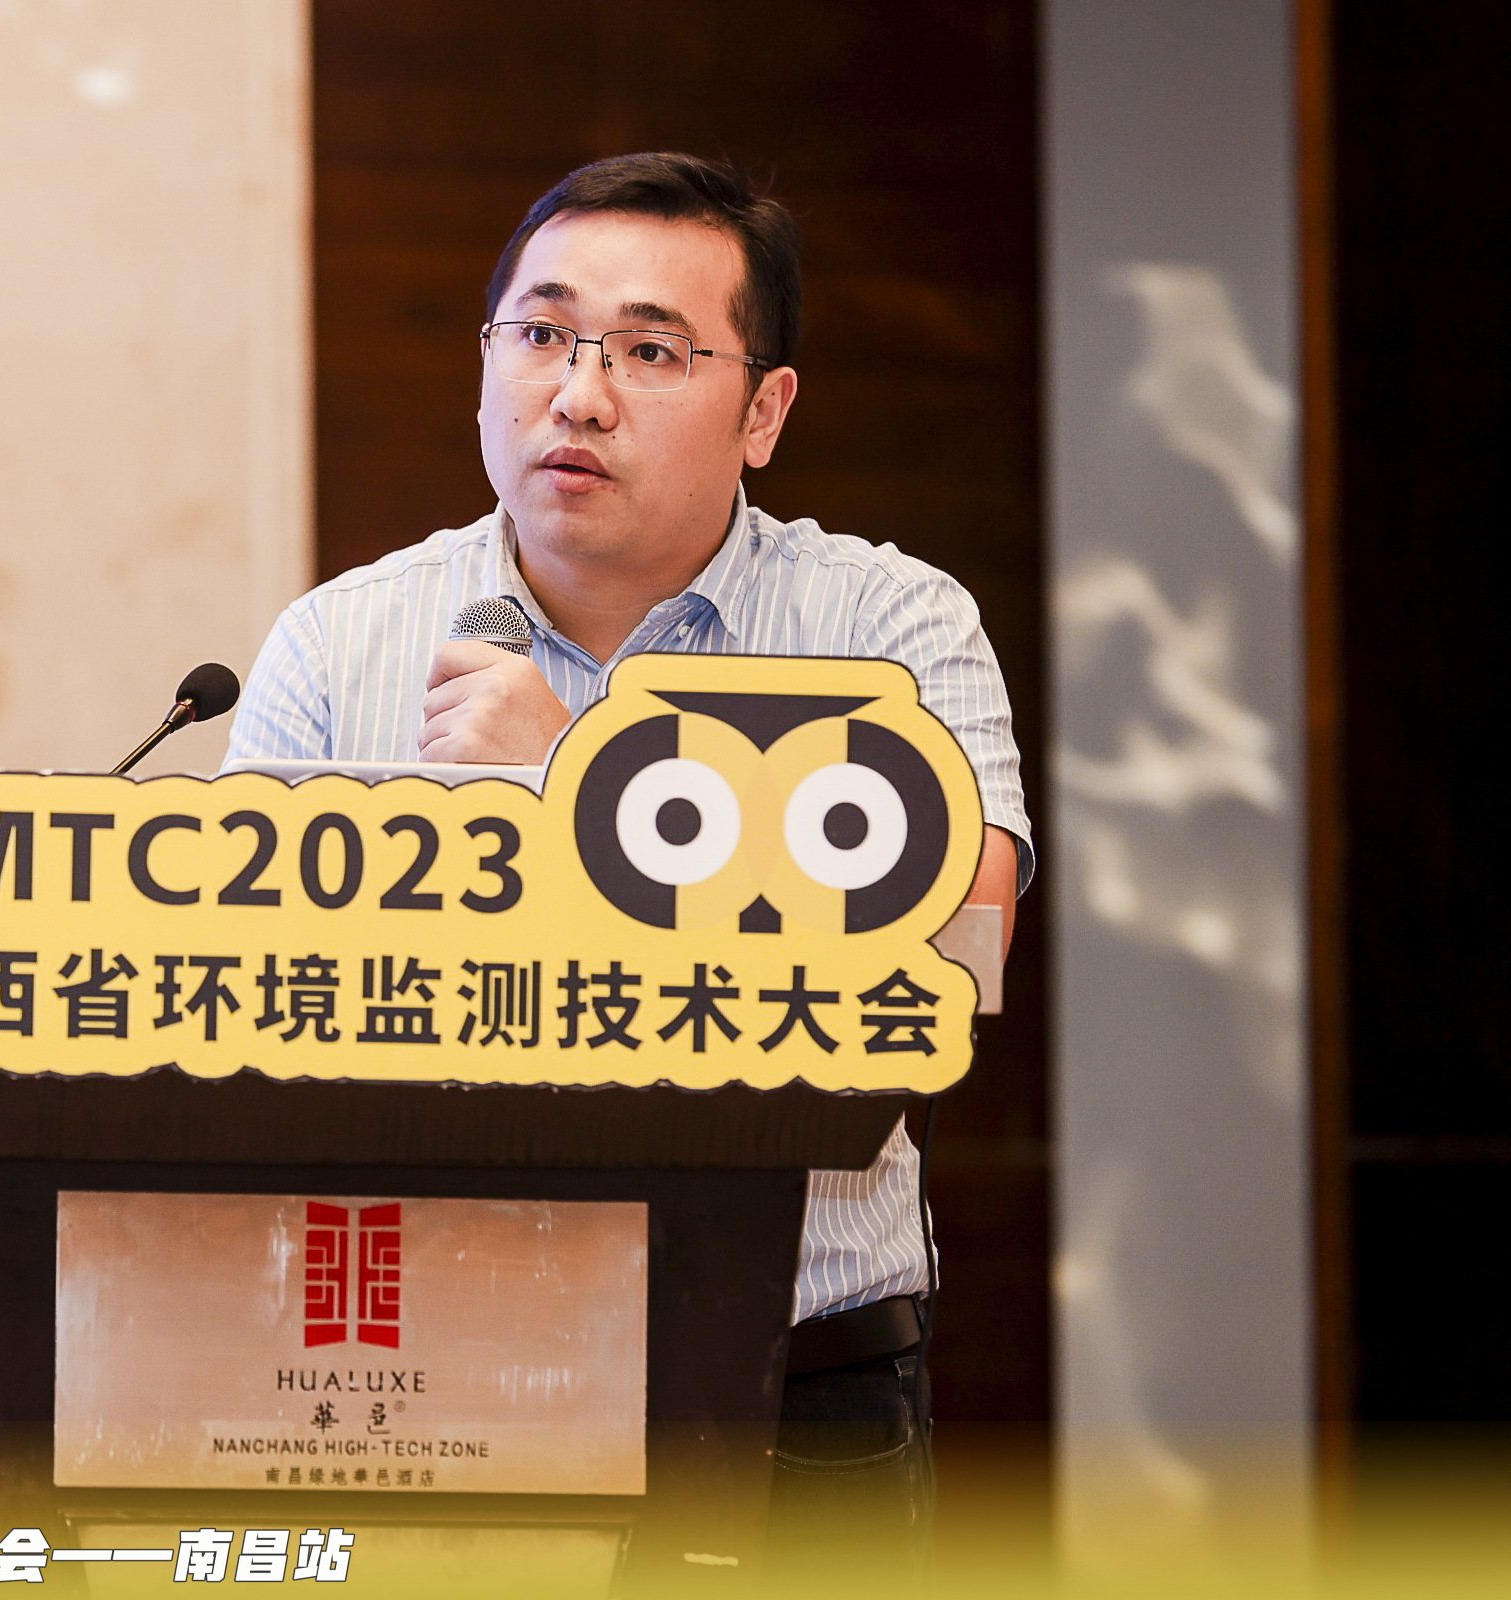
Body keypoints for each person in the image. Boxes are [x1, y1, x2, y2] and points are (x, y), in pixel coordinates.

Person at [224, 151, 1033, 1559]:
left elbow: (949, 958)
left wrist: (581, 782)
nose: (578, 394)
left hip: (797, 1397)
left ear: (764, 410)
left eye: (651, 351)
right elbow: (246, 1010)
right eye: (542, 333)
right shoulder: (338, 645)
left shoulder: (890, 633)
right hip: (427, 1384)